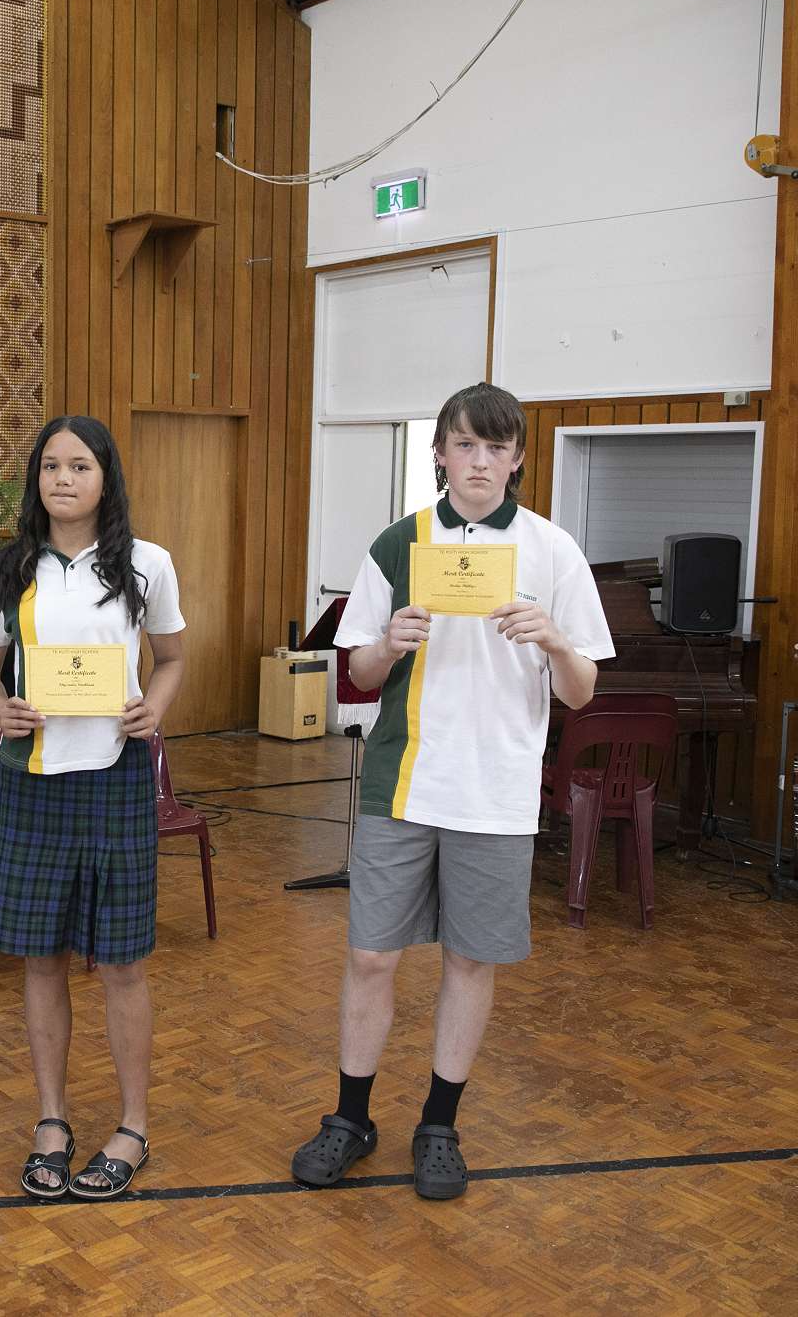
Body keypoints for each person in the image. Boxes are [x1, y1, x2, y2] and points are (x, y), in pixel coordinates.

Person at [288, 382, 614, 1201]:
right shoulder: (399, 543)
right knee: (371, 955)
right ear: (440, 452)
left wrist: (556, 640)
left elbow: (581, 692)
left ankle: (439, 1124)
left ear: (518, 458)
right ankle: (350, 1118)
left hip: (496, 791)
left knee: (469, 959)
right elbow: (358, 675)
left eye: (495, 448)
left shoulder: (552, 550)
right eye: (464, 444)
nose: (479, 461)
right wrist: (388, 644)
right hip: (403, 781)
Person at [0, 415, 186, 1202]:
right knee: (42, 958)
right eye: (51, 465)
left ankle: (133, 1125)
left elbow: (173, 657)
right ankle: (52, 1121)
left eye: (80, 465)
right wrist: (0, 708)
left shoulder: (147, 564)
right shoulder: (8, 568)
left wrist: (154, 705)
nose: (63, 478)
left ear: (105, 477)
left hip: (117, 778)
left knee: (123, 961)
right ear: (37, 479)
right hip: (34, 780)